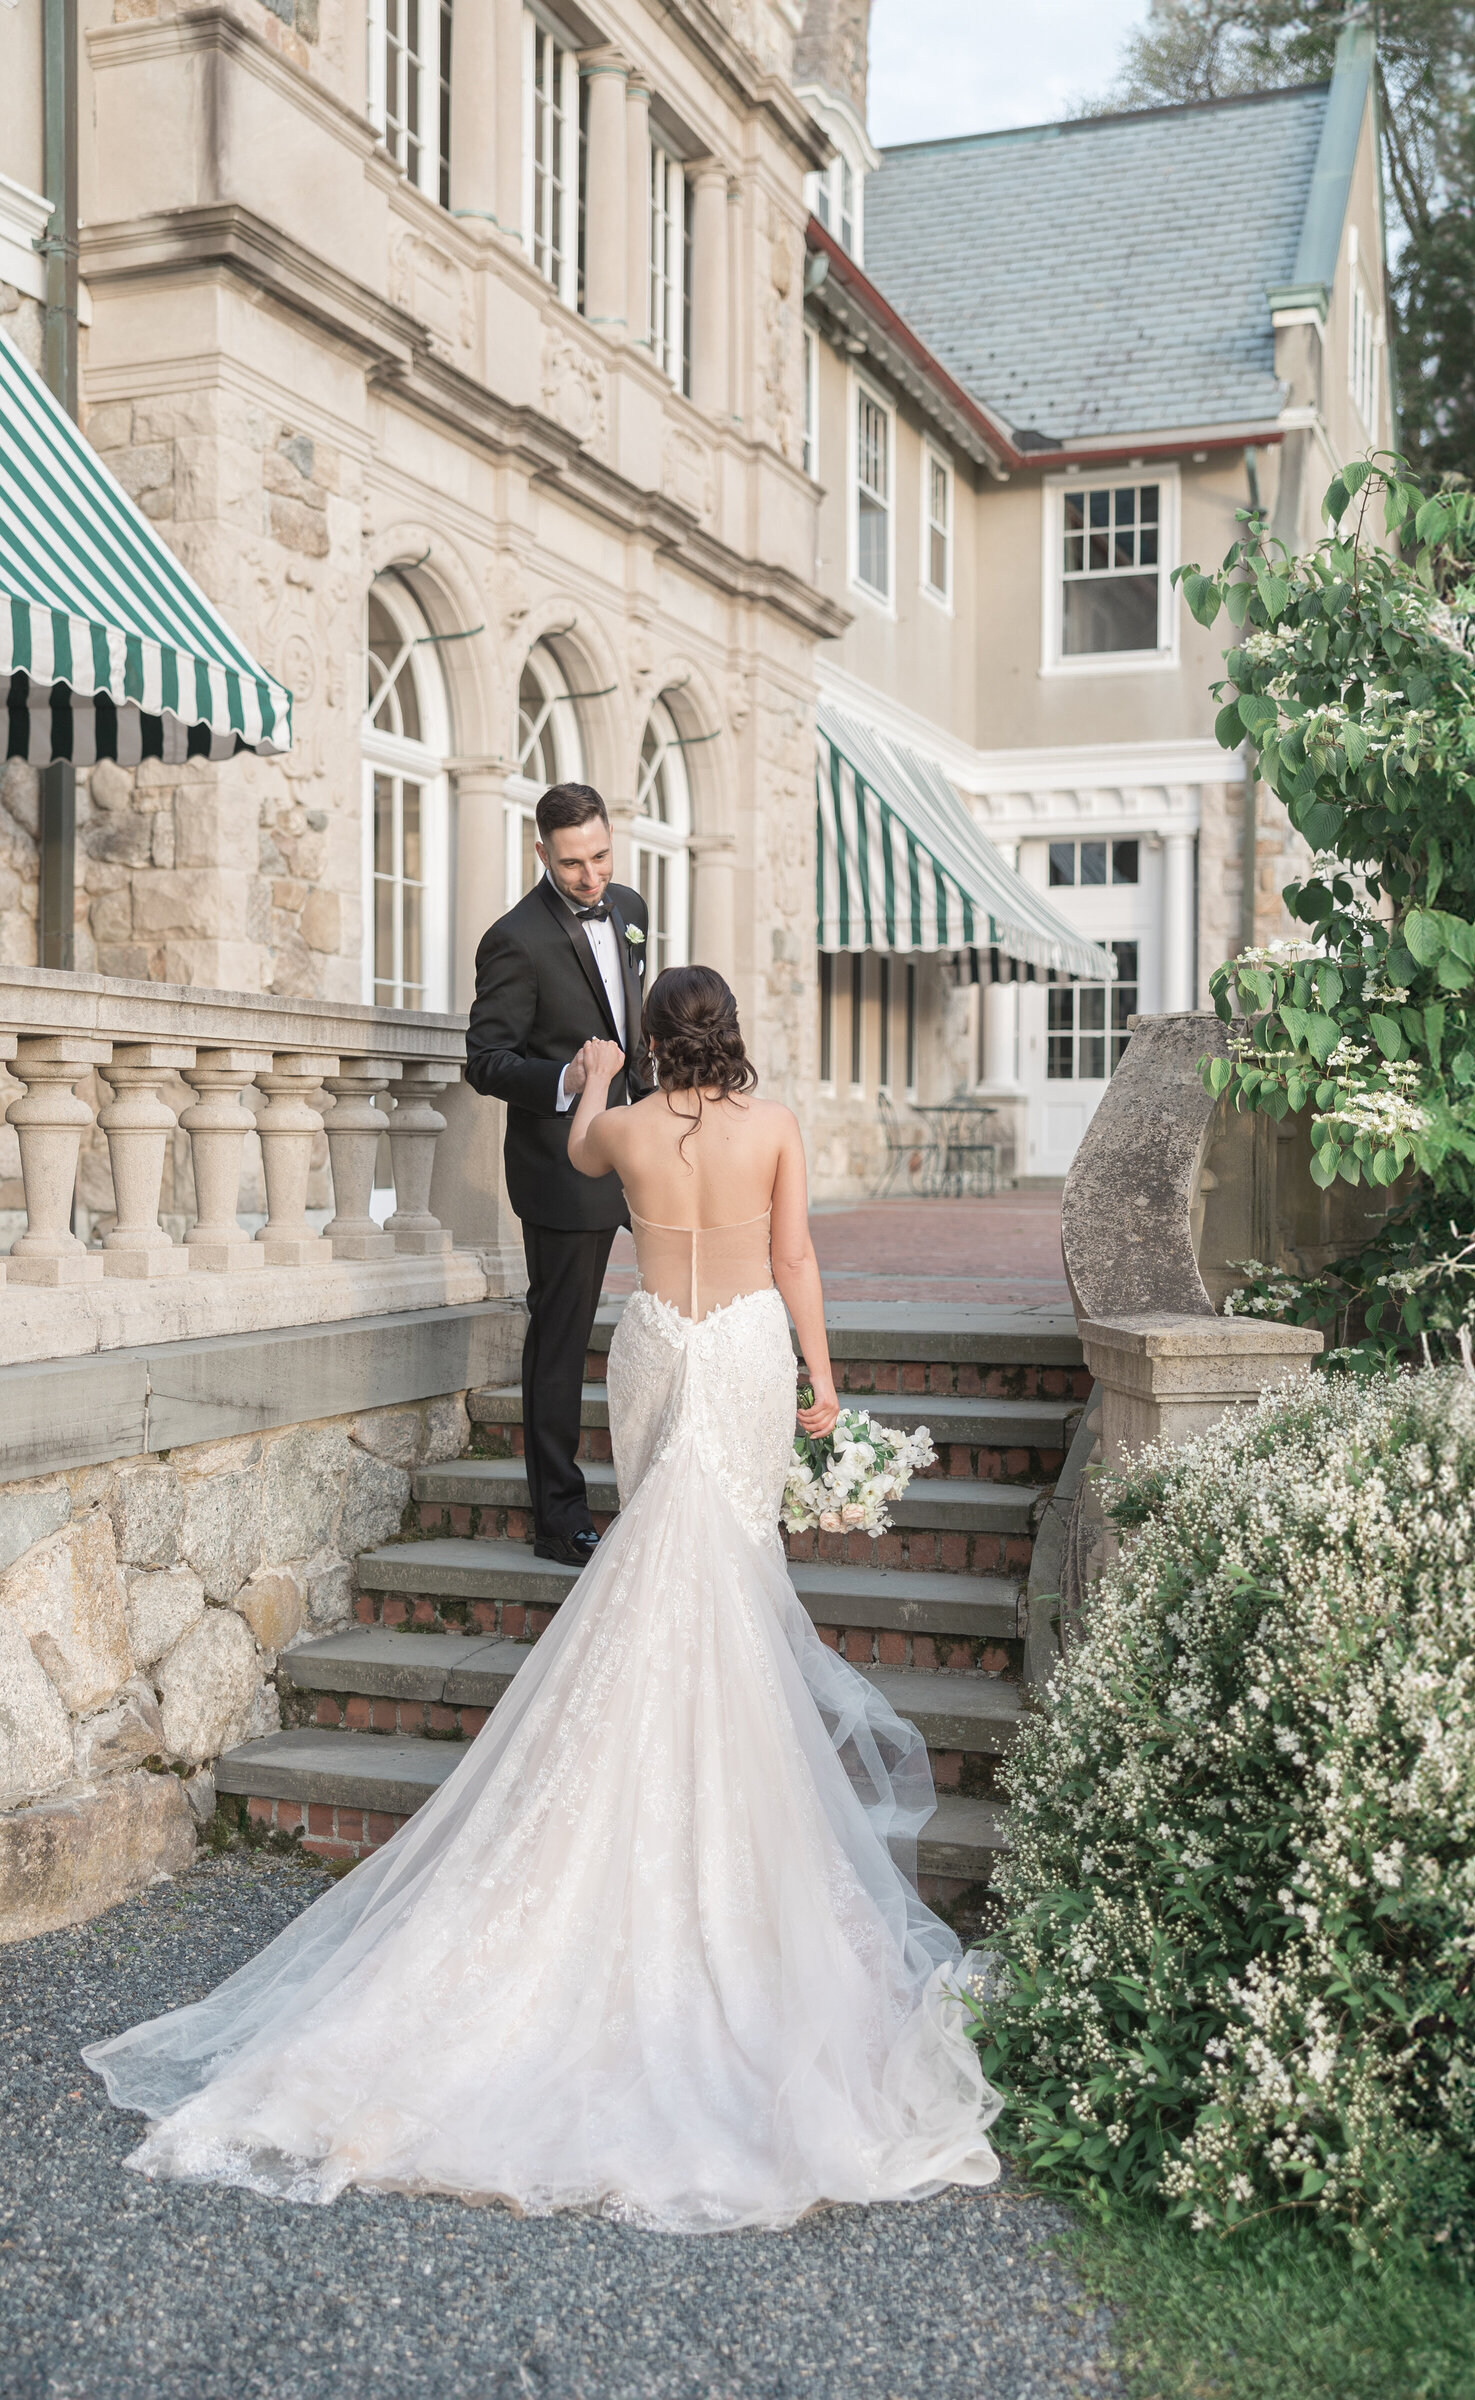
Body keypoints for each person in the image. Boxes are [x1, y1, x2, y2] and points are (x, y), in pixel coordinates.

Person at [83, 966, 1000, 2233]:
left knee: (652, 1542)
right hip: (739, 1347)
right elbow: (791, 1253)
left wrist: (603, 1073)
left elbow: (574, 1146)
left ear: (650, 1041)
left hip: (652, 1343)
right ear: (727, 1036)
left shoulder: (620, 1126)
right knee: (725, 1558)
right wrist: (823, 1384)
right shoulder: (775, 1126)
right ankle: (716, 1801)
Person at [463, 781, 651, 1567]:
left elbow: (632, 1024)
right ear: (541, 853)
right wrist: (571, 1082)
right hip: (561, 1168)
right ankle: (559, 1517)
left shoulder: (631, 905)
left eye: (601, 856)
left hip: (648, 1151)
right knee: (562, 1342)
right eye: (573, 863)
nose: (592, 876)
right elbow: (485, 1062)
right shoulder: (515, 938)